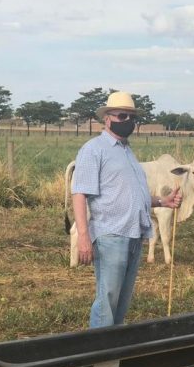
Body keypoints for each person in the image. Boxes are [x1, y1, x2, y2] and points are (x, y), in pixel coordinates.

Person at [71, 91, 182, 328]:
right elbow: (79, 193)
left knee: (121, 301)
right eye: (122, 116)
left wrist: (163, 202)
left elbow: (132, 194)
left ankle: (114, 356)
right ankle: (99, 360)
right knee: (107, 300)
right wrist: (83, 236)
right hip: (111, 235)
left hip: (134, 235)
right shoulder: (94, 149)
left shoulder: (127, 151)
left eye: (132, 117)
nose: (128, 122)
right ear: (107, 119)